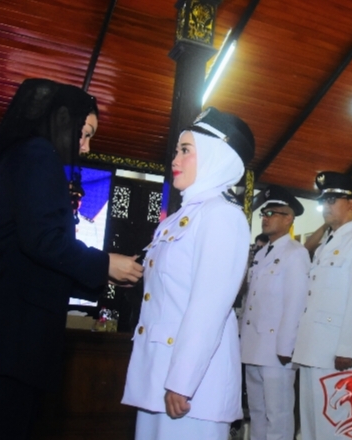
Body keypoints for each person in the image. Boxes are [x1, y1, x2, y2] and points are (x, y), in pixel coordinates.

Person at [0, 78, 143, 439]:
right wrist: (105, 263)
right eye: (85, 134)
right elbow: (43, 240)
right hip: (4, 346)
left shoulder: (22, 157)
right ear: (62, 121)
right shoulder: (37, 156)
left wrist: (104, 272)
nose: (86, 147)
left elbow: (29, 256)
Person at [122, 107, 254, 439]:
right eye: (176, 151)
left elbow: (209, 306)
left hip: (191, 385)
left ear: (215, 157)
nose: (175, 160)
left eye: (185, 150)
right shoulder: (176, 220)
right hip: (157, 373)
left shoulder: (222, 216)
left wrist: (182, 381)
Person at [292, 171, 352, 440]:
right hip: (312, 349)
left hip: (336, 352)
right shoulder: (324, 245)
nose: (325, 206)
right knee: (311, 425)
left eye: (332, 200)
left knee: (337, 426)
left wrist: (348, 349)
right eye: (323, 200)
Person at [240, 184, 310, 440]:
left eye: (272, 213)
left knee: (278, 414)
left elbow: (296, 303)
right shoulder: (261, 254)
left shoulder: (295, 254)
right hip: (253, 346)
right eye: (264, 213)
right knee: (257, 411)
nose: (266, 218)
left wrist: (286, 347)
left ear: (288, 218)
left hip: (276, 350)